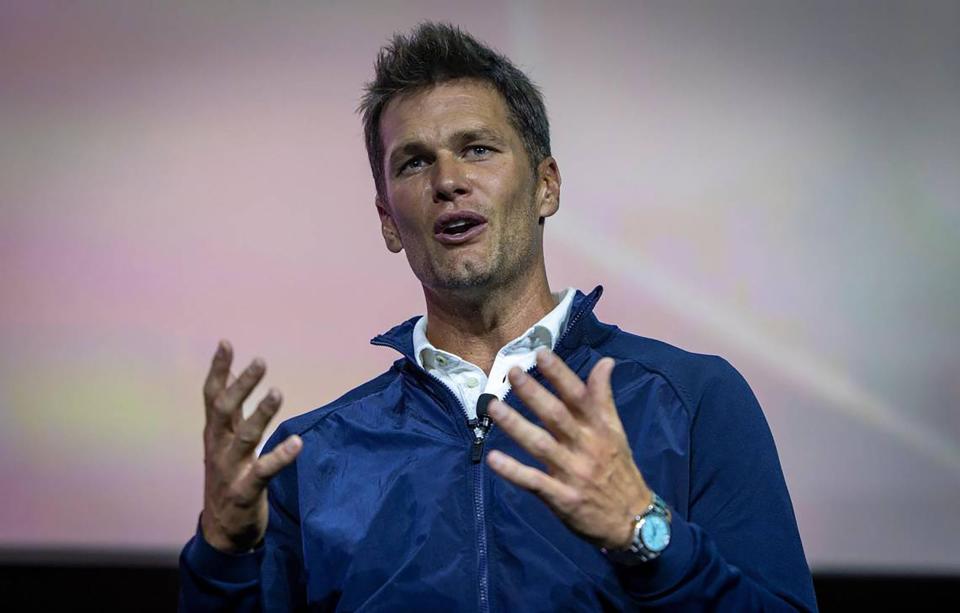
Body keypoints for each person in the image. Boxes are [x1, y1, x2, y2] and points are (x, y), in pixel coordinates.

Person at [179, 22, 818, 612]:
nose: (449, 180)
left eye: (478, 149)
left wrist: (645, 535)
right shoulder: (314, 456)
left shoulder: (692, 401)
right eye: (415, 161)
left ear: (547, 186)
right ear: (386, 220)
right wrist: (223, 556)